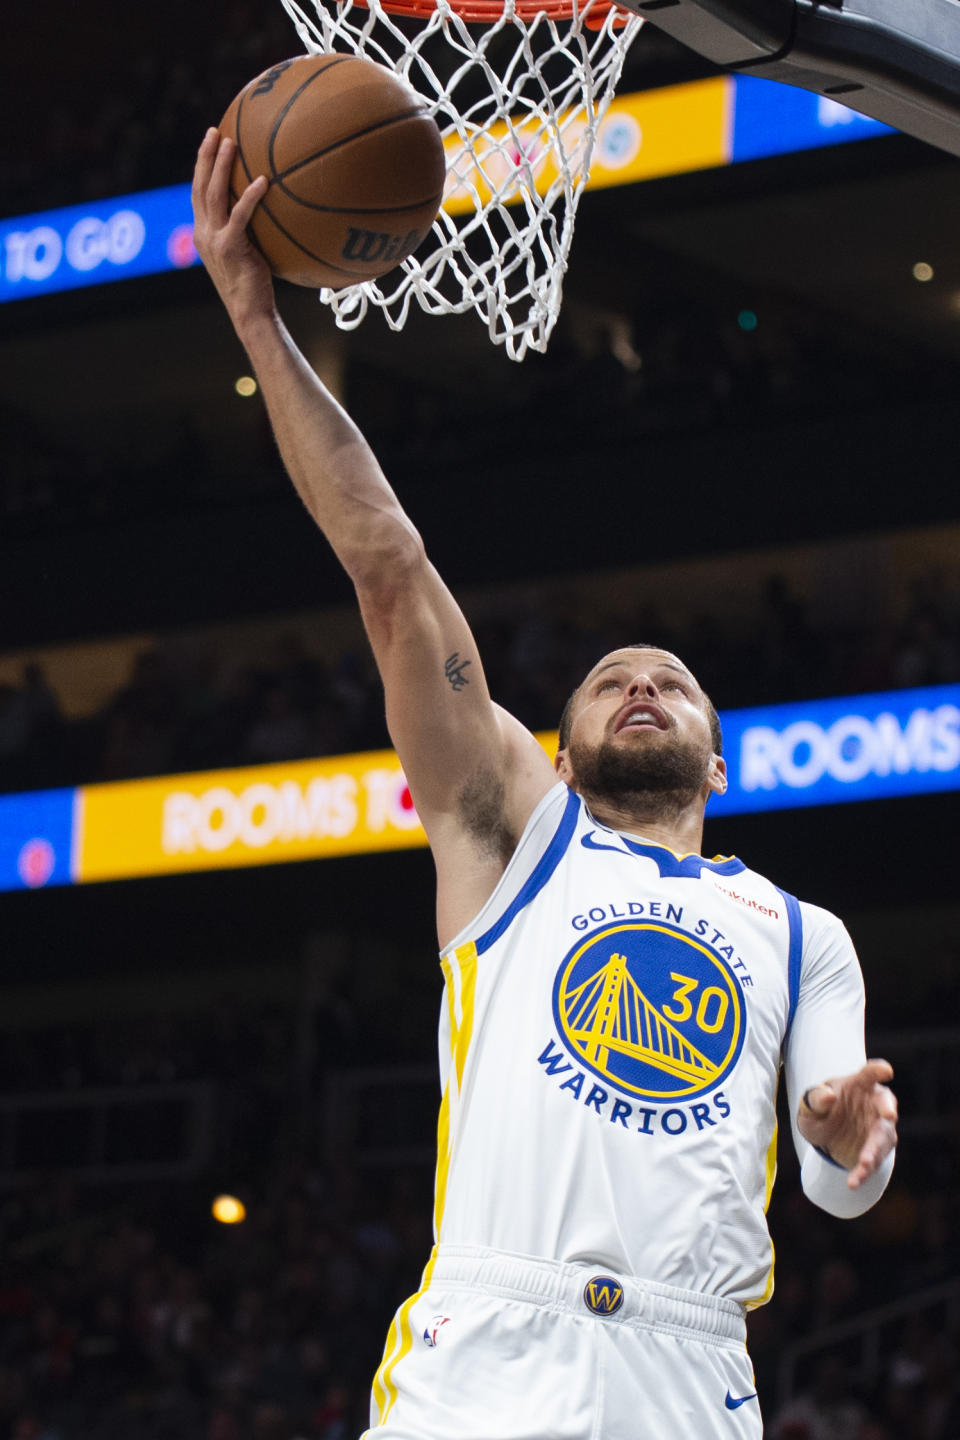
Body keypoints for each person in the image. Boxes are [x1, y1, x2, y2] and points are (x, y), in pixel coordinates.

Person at [192, 128, 898, 1440]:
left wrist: (853, 1142)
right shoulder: (520, 833)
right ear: (555, 754)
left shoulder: (809, 938)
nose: (644, 686)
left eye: (675, 683)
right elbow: (389, 564)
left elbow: (836, 1177)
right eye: (612, 680)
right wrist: (257, 318)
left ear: (719, 755)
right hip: (489, 1348)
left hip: (690, 1371)